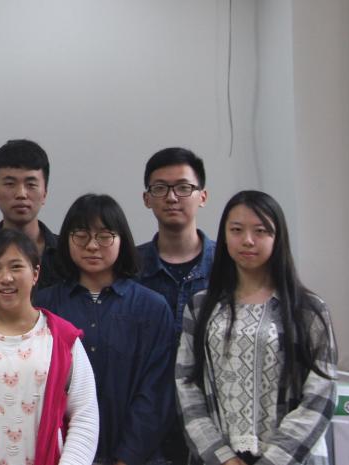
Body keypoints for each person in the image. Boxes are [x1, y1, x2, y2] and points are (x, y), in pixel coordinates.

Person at [176, 191, 337, 465]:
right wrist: (222, 457)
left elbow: (321, 394)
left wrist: (275, 460)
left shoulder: (308, 310)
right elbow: (186, 385)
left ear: (277, 237)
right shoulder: (201, 307)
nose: (248, 240)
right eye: (236, 230)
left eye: (260, 231)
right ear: (224, 236)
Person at [35, 194, 175, 465]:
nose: (92, 246)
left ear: (122, 240)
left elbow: (157, 393)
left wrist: (127, 457)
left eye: (104, 236)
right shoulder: (44, 307)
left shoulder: (152, 308)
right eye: (81, 236)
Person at [0, 228, 99, 465]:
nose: (6, 278)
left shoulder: (62, 338)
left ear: (35, 273)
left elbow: (84, 416)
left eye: (16, 267)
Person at [136, 147, 214, 465]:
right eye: (160, 188)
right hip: (148, 427)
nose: (171, 197)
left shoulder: (228, 267)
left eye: (183, 187)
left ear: (202, 196)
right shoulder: (129, 268)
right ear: (147, 199)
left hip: (214, 424)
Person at [0, 139, 62, 289]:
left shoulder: (66, 253)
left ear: (45, 193)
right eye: (10, 184)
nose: (21, 194)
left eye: (31, 184)